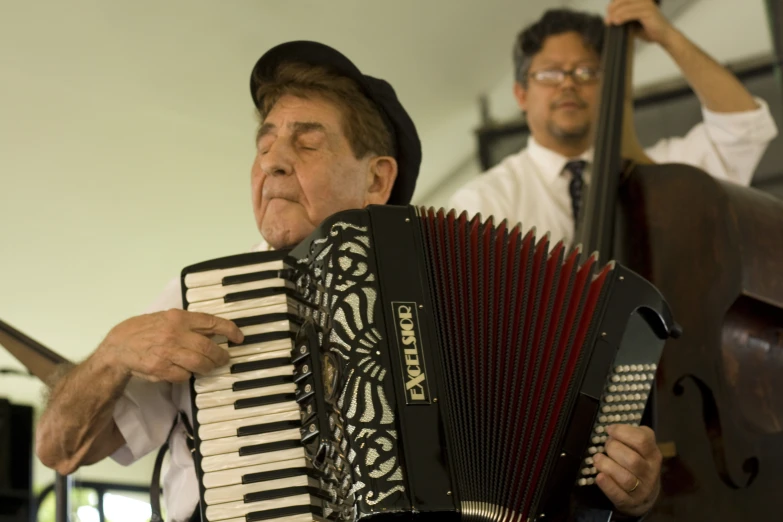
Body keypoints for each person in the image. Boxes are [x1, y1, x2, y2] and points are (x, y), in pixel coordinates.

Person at [36, 41, 659, 521]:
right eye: (265, 143)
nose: (273, 160)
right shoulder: (208, 298)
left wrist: (629, 489)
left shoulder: (459, 296)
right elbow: (61, 450)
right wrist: (115, 351)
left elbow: (577, 491)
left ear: (377, 179)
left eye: (306, 143)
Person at [449, 0, 779, 248]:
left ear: (610, 88)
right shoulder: (484, 203)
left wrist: (668, 36)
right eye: (550, 73)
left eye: (586, 72)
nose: (568, 85)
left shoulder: (662, 177)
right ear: (521, 94)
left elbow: (744, 126)